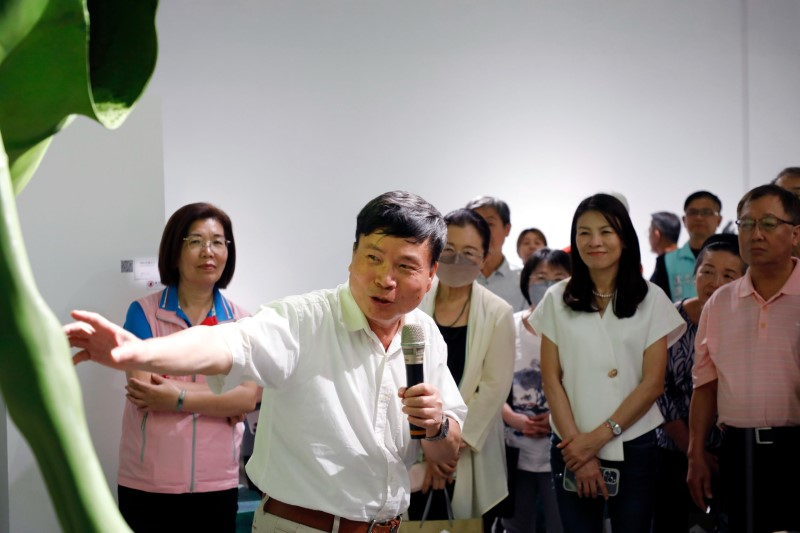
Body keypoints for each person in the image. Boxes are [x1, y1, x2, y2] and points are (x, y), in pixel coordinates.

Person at [67, 191, 467, 532]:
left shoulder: (424, 335)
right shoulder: (303, 319)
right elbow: (227, 342)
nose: (385, 278)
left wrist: (436, 427)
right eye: (373, 258)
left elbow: (447, 452)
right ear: (353, 256)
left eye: (405, 266)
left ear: (431, 274)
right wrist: (138, 351)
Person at [529, 193, 685, 532]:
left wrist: (597, 439)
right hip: (570, 442)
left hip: (634, 441)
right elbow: (551, 379)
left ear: (624, 238)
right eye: (584, 233)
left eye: (606, 231)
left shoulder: (651, 299)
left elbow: (652, 384)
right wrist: (578, 447)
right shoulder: (557, 298)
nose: (594, 241)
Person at [116, 202, 259, 532]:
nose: (208, 251)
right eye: (195, 241)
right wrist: (221, 396)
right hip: (147, 484)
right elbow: (144, 388)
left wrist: (176, 395)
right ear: (174, 251)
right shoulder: (144, 313)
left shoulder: (242, 323)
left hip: (216, 483)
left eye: (218, 242)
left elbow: (246, 398)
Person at [687, 184, 800, 533]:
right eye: (747, 224)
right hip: (737, 450)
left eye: (768, 223)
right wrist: (695, 453)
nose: (756, 234)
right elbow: (705, 386)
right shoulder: (720, 303)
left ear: (795, 234)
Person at [409, 208, 515, 526]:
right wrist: (428, 449)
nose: (457, 260)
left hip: (468, 450)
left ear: (484, 258)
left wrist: (445, 451)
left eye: (469, 253)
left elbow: (494, 388)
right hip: (412, 445)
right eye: (449, 250)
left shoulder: (497, 312)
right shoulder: (414, 302)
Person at [652, 234, 746, 533]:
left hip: (730, 452)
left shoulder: (748, 322)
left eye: (728, 275)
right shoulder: (668, 320)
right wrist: (694, 451)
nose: (715, 283)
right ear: (694, 274)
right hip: (672, 450)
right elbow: (658, 391)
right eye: (707, 271)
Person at [501, 247, 569, 533]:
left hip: (563, 450)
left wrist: (556, 418)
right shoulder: (507, 325)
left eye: (558, 278)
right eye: (540, 277)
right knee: (515, 525)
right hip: (514, 449)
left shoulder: (576, 329)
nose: (548, 286)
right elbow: (488, 382)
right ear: (526, 281)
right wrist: (511, 417)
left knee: (561, 524)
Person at [651, 191, 723, 302]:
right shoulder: (665, 261)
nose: (699, 217)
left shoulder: (732, 259)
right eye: (693, 212)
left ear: (719, 220)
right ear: (684, 220)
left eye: (706, 212)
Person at [466, 196, 527, 311]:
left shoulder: (523, 279)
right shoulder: (455, 276)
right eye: (475, 223)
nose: (482, 230)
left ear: (507, 229)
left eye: (489, 223)